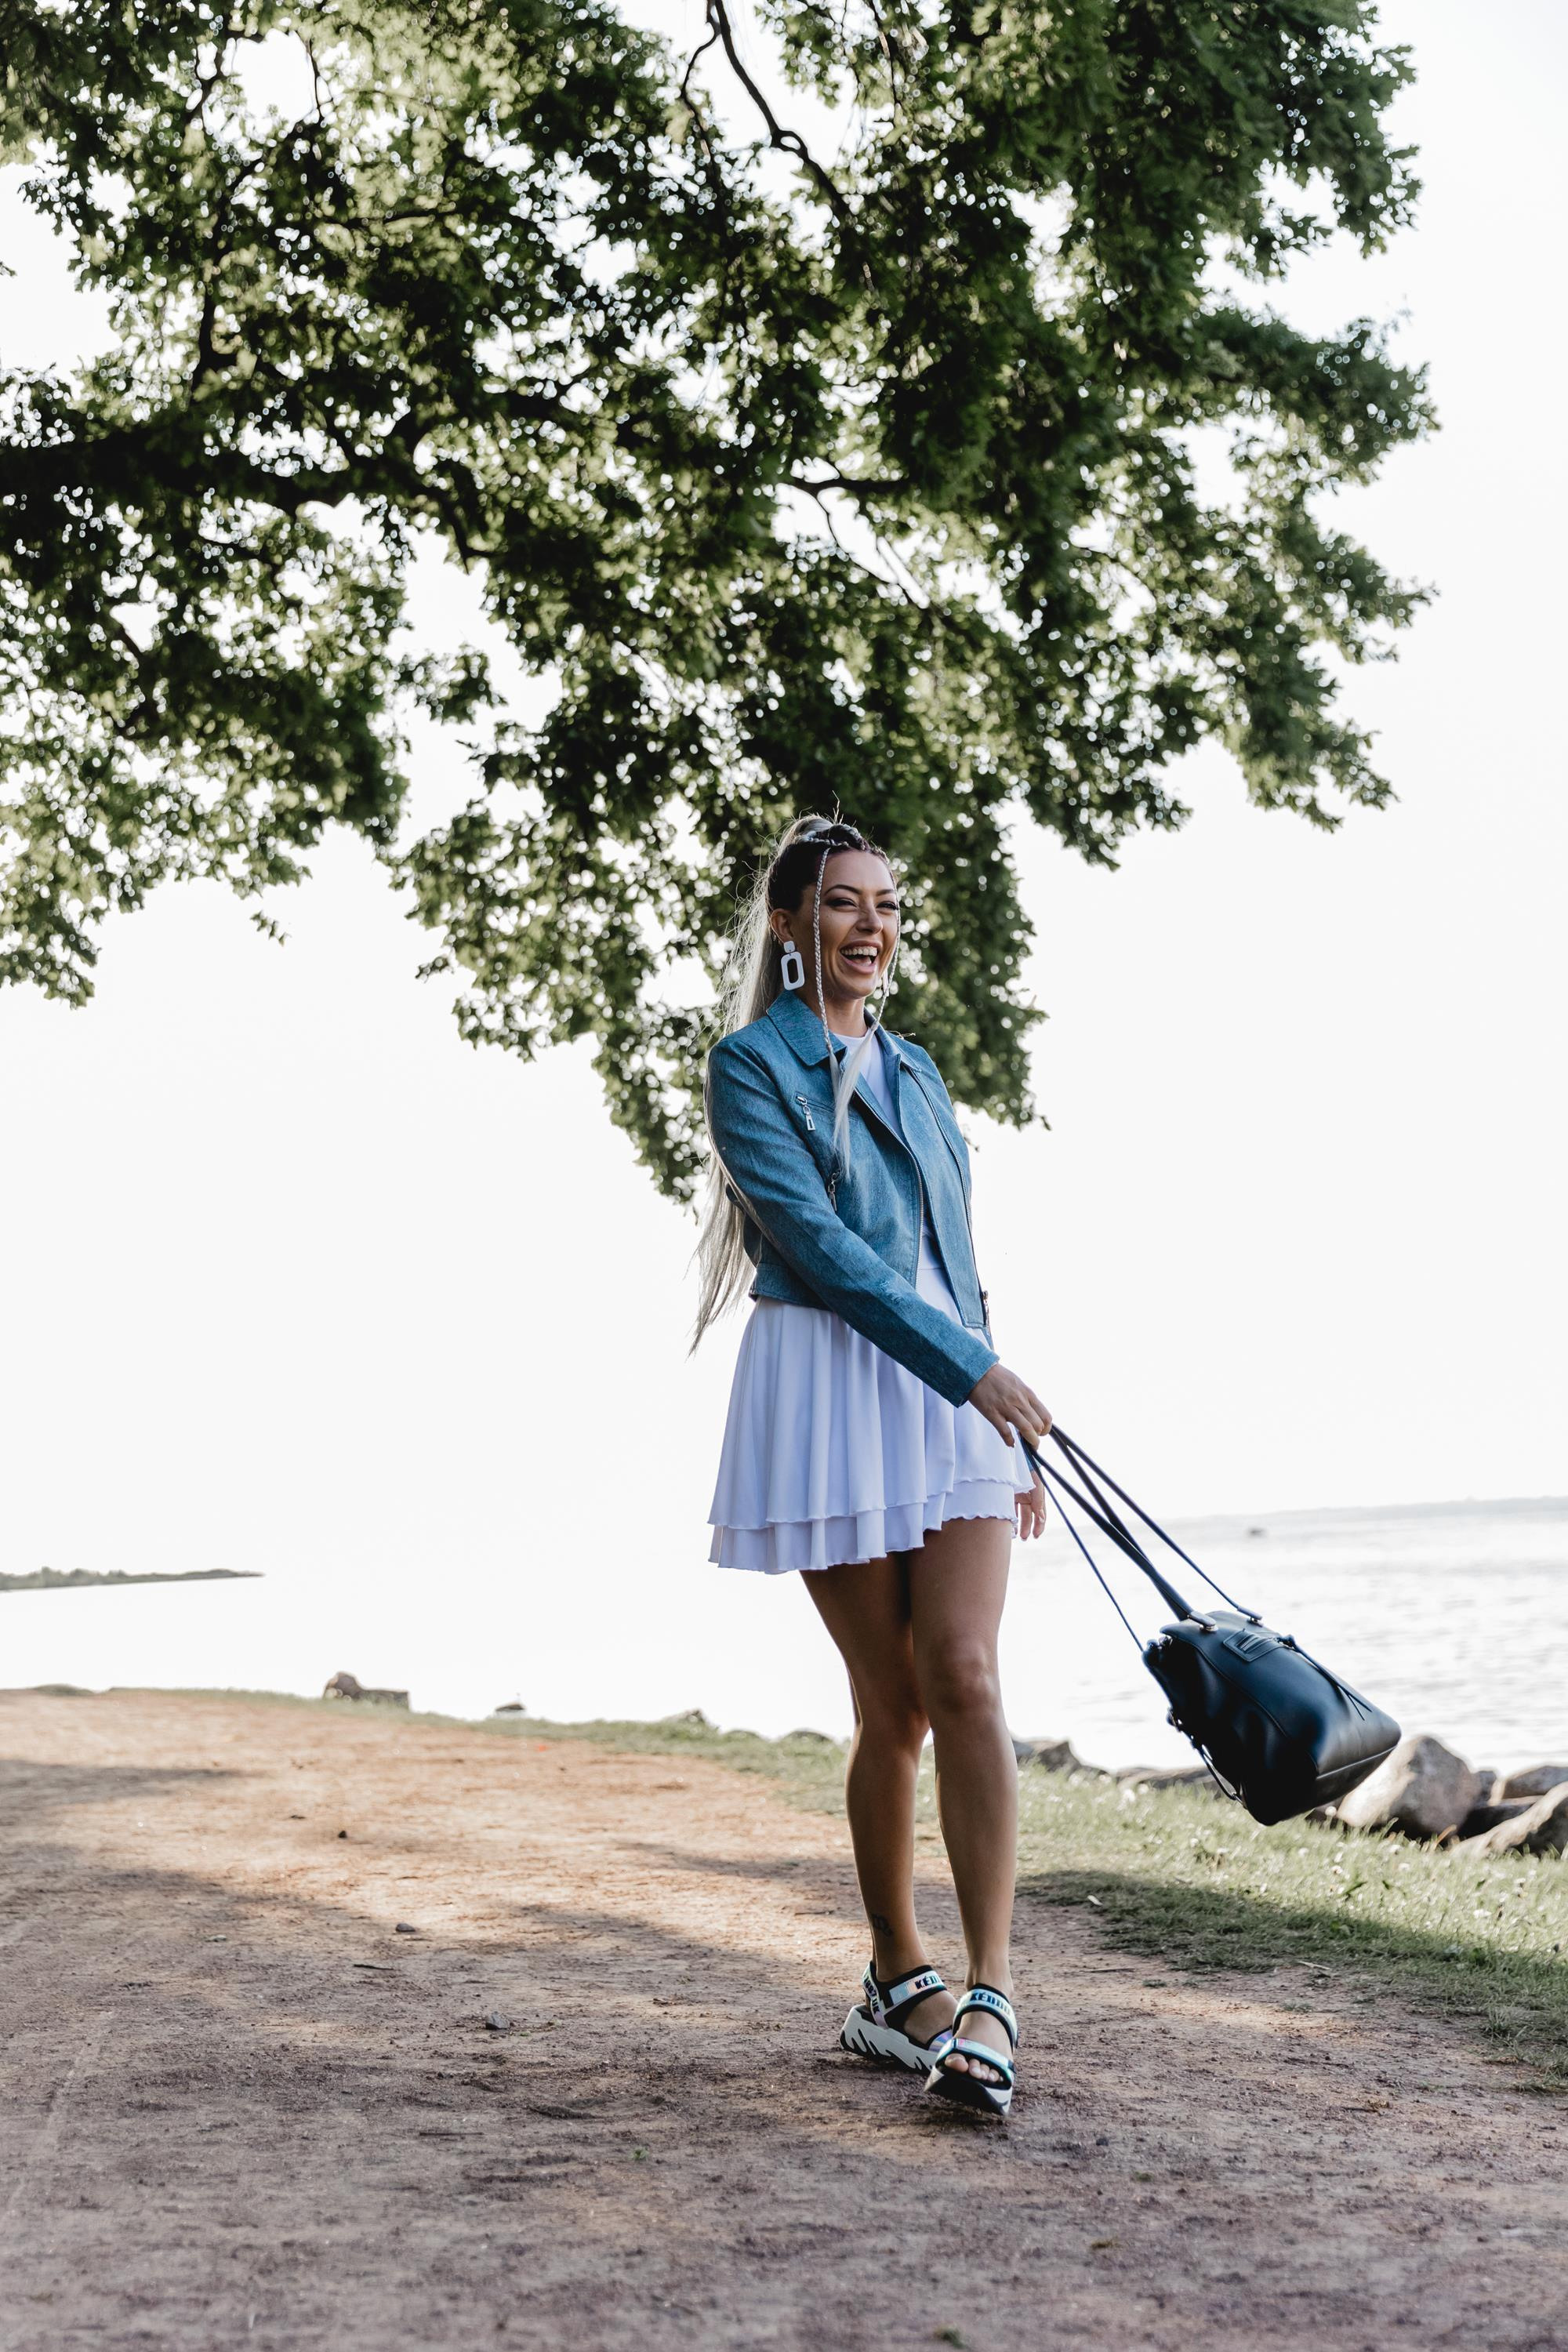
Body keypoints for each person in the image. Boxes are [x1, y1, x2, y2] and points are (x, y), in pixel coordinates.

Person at [695, 815, 1052, 2121]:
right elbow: (823, 1249)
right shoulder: (748, 1066)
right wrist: (972, 1369)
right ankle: (896, 1976)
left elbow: (954, 1254)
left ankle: (991, 1996)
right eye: (844, 903)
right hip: (831, 1384)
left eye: (887, 905)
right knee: (892, 1706)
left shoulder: (922, 1071)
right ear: (792, 923)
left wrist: (995, 1400)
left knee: (966, 1674)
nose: (870, 926)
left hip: (954, 1389)